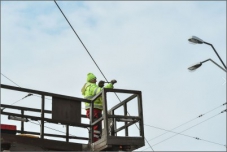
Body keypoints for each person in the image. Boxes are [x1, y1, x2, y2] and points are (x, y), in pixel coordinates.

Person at [81, 73, 117, 142]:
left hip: (91, 110)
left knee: (95, 126)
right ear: (91, 80)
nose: (96, 80)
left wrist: (99, 86)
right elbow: (100, 91)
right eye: (95, 79)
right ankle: (94, 141)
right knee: (97, 128)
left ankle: (93, 140)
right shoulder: (91, 86)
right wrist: (110, 84)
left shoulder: (88, 87)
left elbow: (96, 92)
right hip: (95, 110)